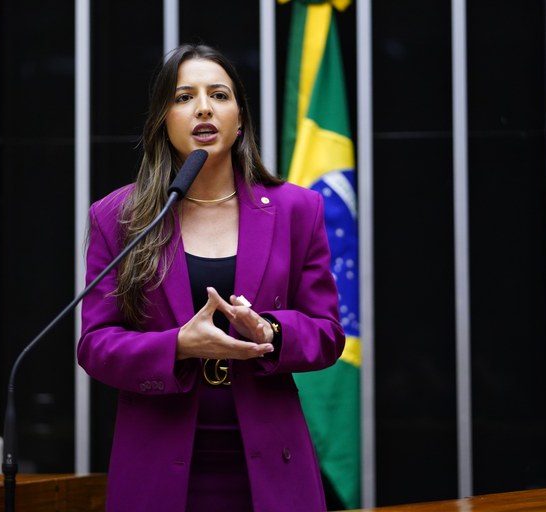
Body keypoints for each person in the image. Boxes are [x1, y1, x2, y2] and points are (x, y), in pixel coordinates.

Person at [77, 43, 345, 512]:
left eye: (218, 95)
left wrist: (271, 330)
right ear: (163, 118)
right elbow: (96, 345)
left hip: (270, 471)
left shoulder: (297, 210)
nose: (203, 107)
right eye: (184, 97)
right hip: (157, 471)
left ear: (239, 119)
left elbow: (327, 334)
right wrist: (178, 344)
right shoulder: (119, 216)